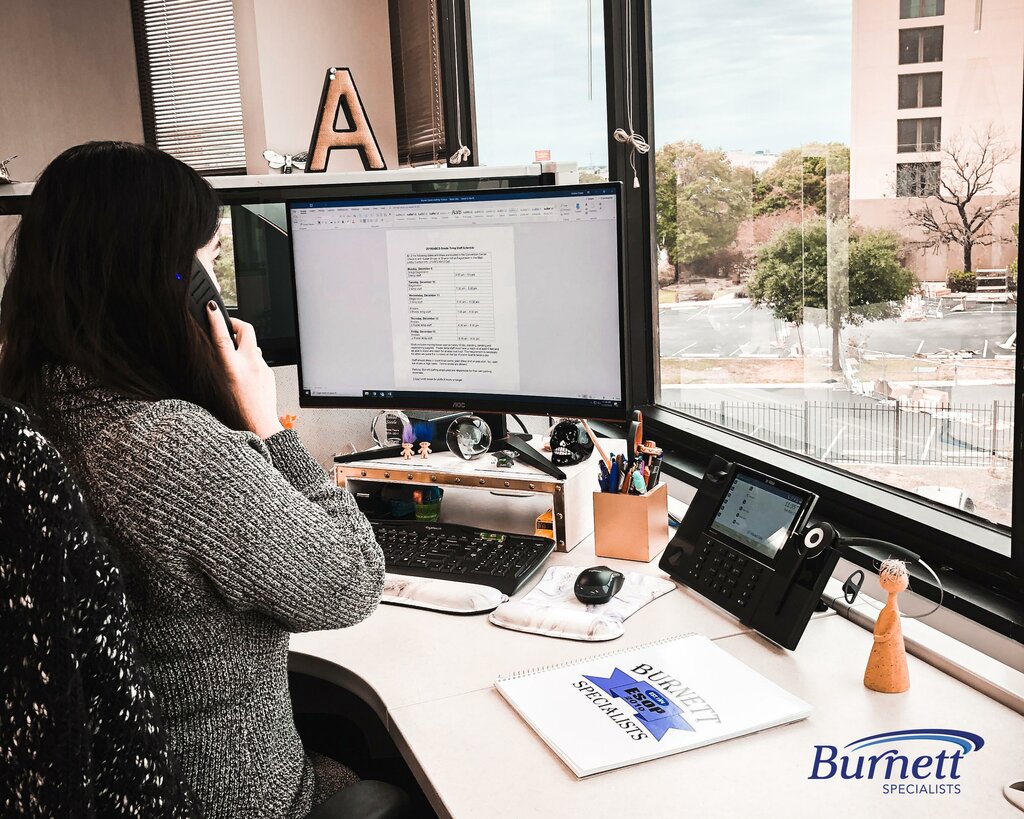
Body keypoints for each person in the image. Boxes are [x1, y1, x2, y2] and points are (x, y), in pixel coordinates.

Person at [0, 142, 386, 819]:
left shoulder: (33, 412)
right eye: (209, 260)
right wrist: (269, 426)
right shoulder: (168, 447)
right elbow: (350, 583)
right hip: (237, 800)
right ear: (171, 285)